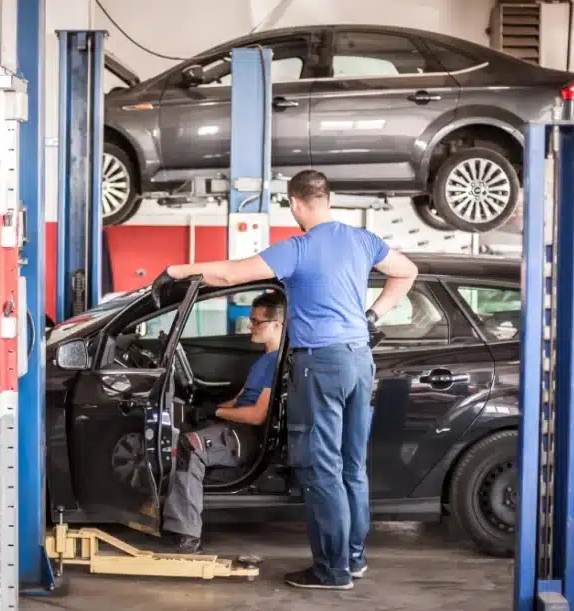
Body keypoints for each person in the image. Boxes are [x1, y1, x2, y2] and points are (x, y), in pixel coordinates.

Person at [155, 169, 418, 590]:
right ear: (328, 199)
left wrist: (178, 268)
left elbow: (229, 274)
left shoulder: (298, 248)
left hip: (323, 365)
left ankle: (331, 572)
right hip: (359, 361)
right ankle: (352, 559)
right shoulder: (362, 240)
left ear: (295, 204)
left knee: (323, 471)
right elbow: (406, 272)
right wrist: (372, 315)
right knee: (353, 468)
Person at [163, 291, 285, 554]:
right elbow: (238, 401)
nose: (250, 325)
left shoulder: (276, 362)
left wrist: (216, 413)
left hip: (247, 435)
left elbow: (256, 415)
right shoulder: (262, 360)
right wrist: (203, 411)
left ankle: (187, 535)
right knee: (178, 433)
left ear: (277, 325)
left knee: (189, 446)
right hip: (234, 427)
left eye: (256, 321)